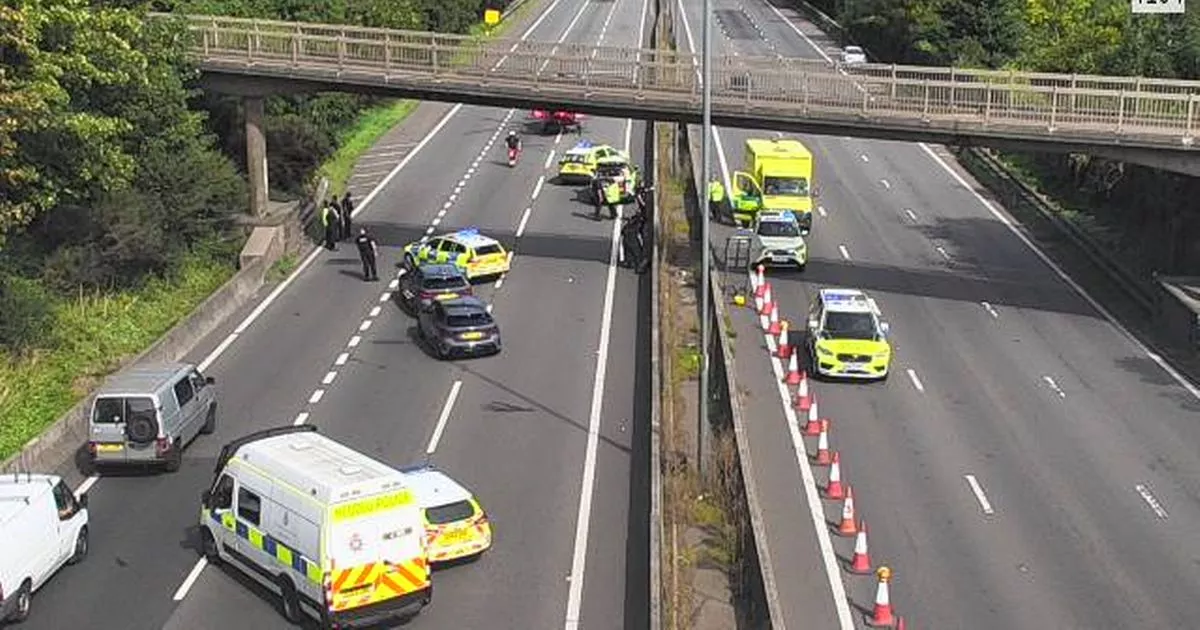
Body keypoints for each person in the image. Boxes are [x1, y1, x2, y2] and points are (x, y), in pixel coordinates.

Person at [621, 204, 649, 273]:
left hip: (628, 233)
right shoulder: (638, 220)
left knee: (629, 247)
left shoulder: (634, 219)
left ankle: (630, 262)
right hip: (631, 234)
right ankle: (635, 264)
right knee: (635, 249)